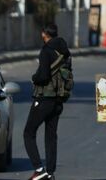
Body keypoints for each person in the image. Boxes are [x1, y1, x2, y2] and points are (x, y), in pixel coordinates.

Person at [24, 24, 72, 180]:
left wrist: (34, 78)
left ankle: (39, 170)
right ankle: (50, 173)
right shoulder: (65, 51)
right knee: (51, 136)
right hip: (59, 100)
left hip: (44, 98)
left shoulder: (46, 51)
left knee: (28, 133)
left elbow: (43, 76)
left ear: (44, 34)